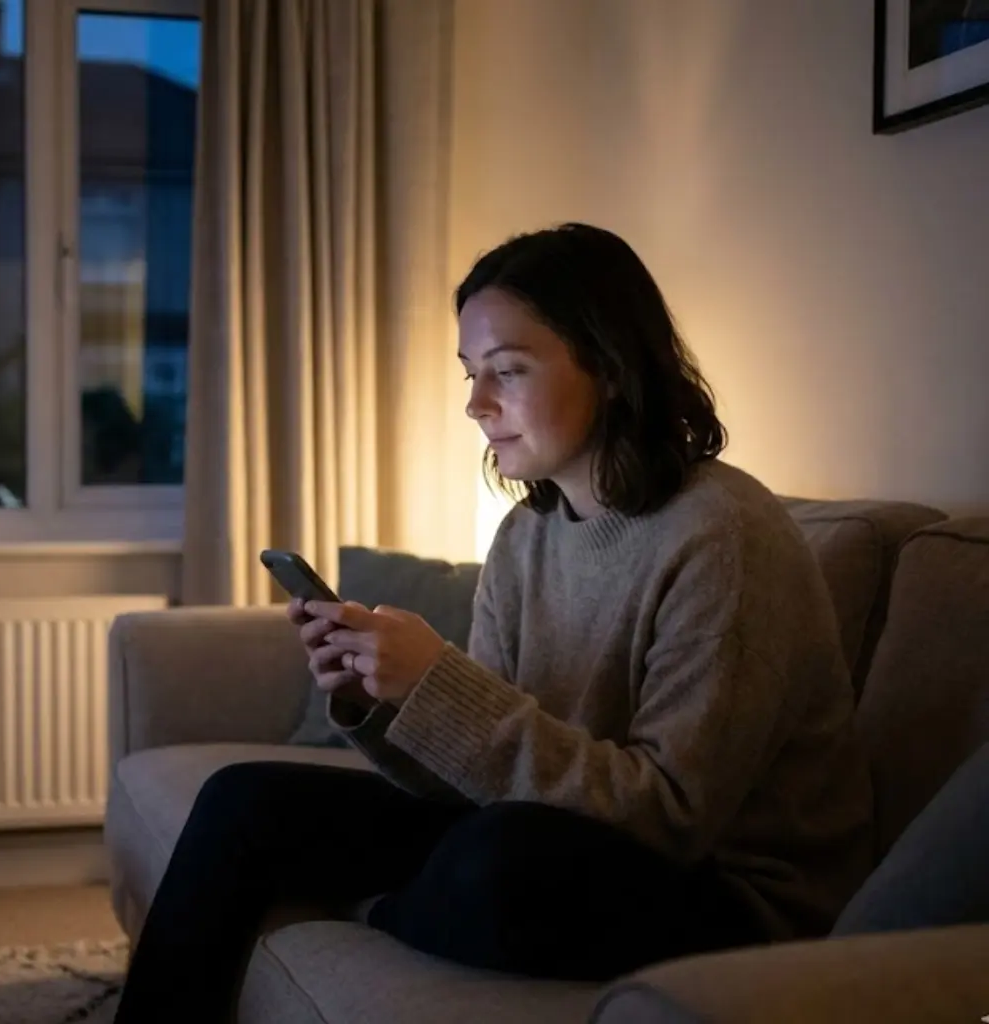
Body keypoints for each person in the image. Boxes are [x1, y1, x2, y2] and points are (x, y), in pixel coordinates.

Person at [111, 223, 875, 1023]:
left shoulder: (725, 537)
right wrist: (384, 702)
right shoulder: (528, 534)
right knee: (245, 800)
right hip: (559, 832)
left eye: (506, 372)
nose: (476, 405)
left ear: (611, 368)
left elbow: (667, 817)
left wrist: (440, 689)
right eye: (471, 373)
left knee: (494, 862)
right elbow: (488, 778)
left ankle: (393, 904)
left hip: (728, 894)